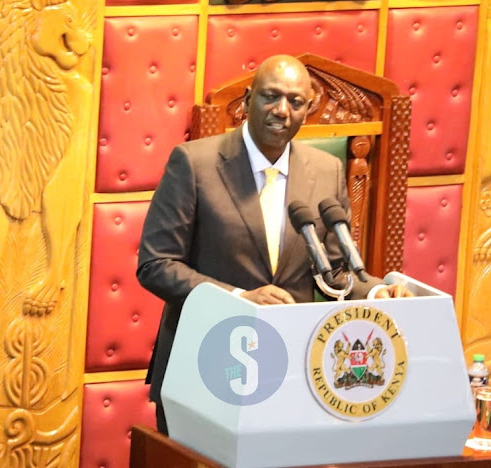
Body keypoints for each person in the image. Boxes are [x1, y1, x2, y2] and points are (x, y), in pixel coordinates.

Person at [136, 54, 412, 434]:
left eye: (295, 102)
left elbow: (334, 272)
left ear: (309, 109)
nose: (282, 110)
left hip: (287, 372)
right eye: (271, 97)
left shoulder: (326, 171)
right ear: (248, 100)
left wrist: (377, 291)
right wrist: (237, 297)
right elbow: (156, 264)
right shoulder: (194, 164)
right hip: (202, 365)